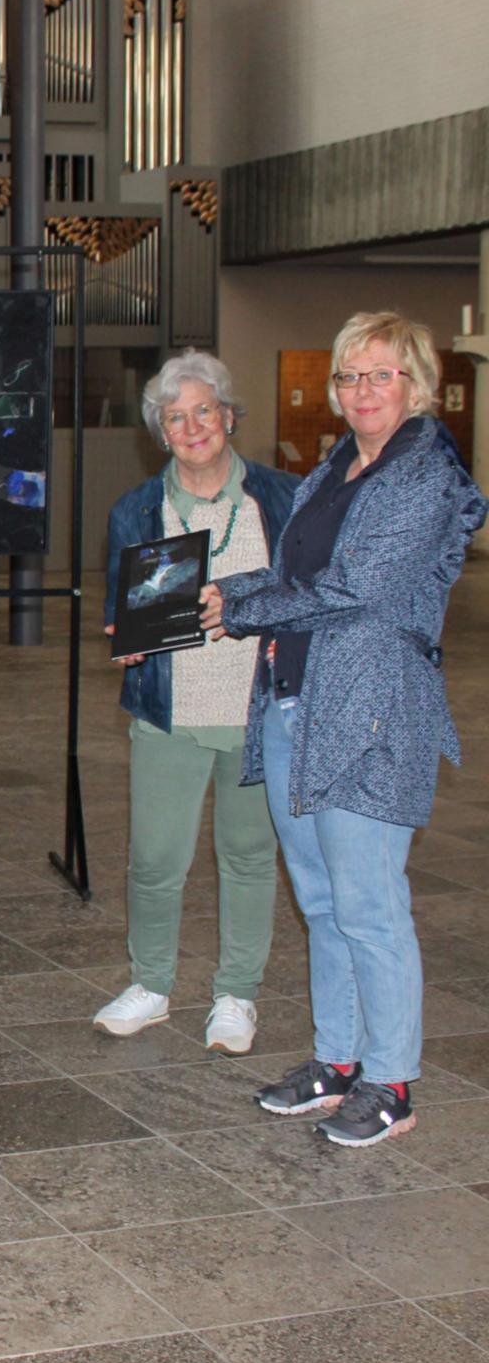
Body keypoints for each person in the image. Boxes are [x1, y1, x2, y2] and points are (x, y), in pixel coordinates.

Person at [203, 311, 485, 1145]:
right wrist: (218, 591)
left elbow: (353, 589)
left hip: (368, 714)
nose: (362, 391)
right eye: (349, 377)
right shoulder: (337, 464)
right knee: (323, 903)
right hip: (296, 702)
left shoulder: (423, 476)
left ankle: (392, 1079)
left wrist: (245, 612)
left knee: (370, 905)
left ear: (417, 383)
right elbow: (298, 572)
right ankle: (338, 1062)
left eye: (380, 374)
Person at [94, 351, 298, 1054]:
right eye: (174, 417)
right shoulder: (137, 509)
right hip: (169, 711)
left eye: (202, 410)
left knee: (247, 856)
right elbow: (128, 609)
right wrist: (126, 640)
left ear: (229, 415)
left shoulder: (282, 499)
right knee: (155, 859)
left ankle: (236, 995)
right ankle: (151, 984)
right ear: (160, 432)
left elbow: (308, 598)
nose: (191, 426)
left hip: (256, 708)